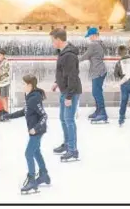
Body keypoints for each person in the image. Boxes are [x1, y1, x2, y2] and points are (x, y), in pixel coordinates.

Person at [4, 74, 50, 194]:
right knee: (35, 152)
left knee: (28, 153)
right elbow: (24, 112)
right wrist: (7, 115)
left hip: (37, 131)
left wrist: (36, 128)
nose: (22, 86)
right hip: (34, 130)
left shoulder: (34, 98)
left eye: (24, 84)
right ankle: (44, 174)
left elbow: (44, 115)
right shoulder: (29, 96)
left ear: (30, 85)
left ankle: (32, 180)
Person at [49, 28, 82, 162]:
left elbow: (72, 77)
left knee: (69, 120)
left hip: (70, 92)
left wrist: (69, 96)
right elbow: (64, 72)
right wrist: (57, 82)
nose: (52, 43)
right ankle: (67, 144)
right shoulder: (63, 53)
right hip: (65, 90)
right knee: (63, 119)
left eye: (52, 40)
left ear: (58, 40)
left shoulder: (69, 55)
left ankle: (73, 150)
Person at [79, 27, 108, 123]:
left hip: (97, 71)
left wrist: (75, 60)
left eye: (90, 36)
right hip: (100, 70)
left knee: (96, 92)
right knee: (96, 92)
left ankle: (103, 113)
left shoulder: (93, 44)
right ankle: (98, 111)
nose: (89, 38)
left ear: (94, 35)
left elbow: (86, 55)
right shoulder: (101, 43)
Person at [113, 44, 130, 127]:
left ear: (119, 54)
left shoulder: (118, 63)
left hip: (124, 84)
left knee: (123, 101)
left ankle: (121, 119)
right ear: (127, 51)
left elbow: (116, 75)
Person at [0, 49, 12, 121]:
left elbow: (3, 72)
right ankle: (4, 112)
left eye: (0, 55)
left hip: (5, 83)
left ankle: (5, 113)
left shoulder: (5, 62)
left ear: (3, 56)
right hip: (1, 83)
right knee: (3, 98)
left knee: (4, 98)